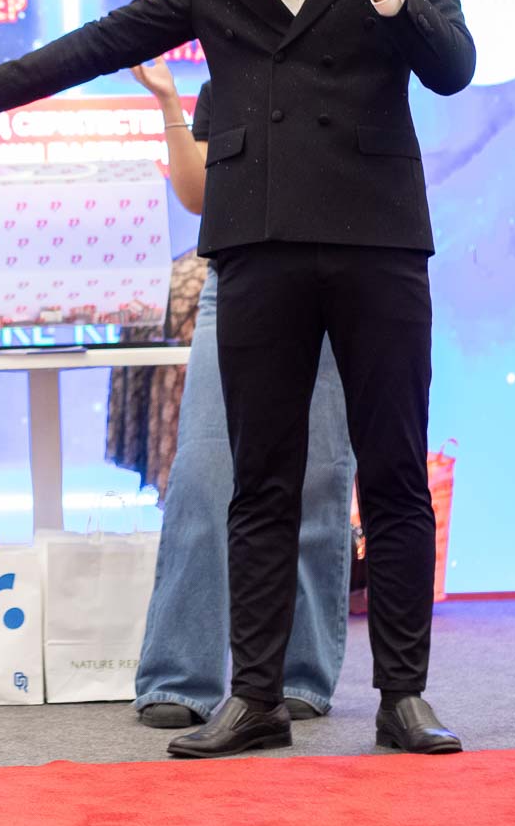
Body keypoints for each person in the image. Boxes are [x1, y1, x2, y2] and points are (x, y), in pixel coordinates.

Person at [0, 0, 475, 757]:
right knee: (260, 478)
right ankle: (256, 698)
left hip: (377, 237)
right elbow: (107, 39)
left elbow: (453, 66)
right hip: (257, 241)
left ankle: (404, 694)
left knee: (390, 471)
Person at [129, 62, 355, 729]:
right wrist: (169, 102)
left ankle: (300, 672)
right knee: (203, 472)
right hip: (237, 278)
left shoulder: (353, 65)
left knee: (318, 476)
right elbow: (198, 195)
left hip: (338, 276)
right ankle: (180, 674)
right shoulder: (229, 78)